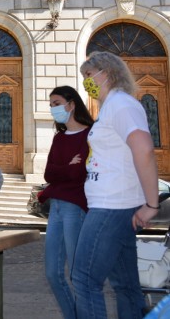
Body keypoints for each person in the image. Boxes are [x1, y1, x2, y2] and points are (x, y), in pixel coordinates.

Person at [72, 51, 159, 319]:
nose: (86, 81)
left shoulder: (121, 104)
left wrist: (151, 203)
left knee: (84, 280)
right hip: (115, 204)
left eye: (89, 75)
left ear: (106, 73)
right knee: (125, 286)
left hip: (111, 205)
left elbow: (143, 149)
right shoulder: (111, 106)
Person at [39, 85, 94, 319]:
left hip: (75, 206)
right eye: (51, 105)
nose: (53, 109)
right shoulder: (59, 138)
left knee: (76, 273)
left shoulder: (91, 134)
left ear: (71, 105)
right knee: (52, 273)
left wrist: (66, 170)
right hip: (56, 207)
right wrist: (67, 167)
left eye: (57, 103)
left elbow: (80, 173)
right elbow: (48, 174)